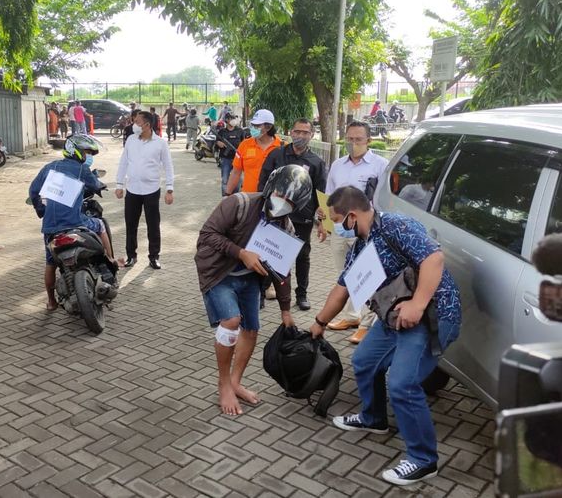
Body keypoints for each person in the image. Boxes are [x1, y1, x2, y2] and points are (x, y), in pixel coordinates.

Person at [310, 186, 461, 485]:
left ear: (352, 216)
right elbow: (342, 291)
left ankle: (423, 460)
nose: (334, 225)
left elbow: (434, 260)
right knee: (365, 361)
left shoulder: (396, 225)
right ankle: (373, 418)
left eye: (336, 219)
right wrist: (319, 323)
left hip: (431, 314)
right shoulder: (359, 247)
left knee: (403, 384)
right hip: (395, 317)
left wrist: (417, 304)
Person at [196, 165, 312, 415]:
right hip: (219, 273)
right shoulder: (239, 203)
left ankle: (236, 382)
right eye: (281, 196)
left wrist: (285, 310)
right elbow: (207, 234)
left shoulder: (286, 227)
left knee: (251, 329)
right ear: (271, 188)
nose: (283, 205)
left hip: (250, 280)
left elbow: (283, 269)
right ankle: (224, 384)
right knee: (231, 321)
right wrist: (241, 253)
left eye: (290, 204)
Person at [318, 120, 389, 343]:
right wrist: (323, 223)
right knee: (346, 277)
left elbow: (385, 199)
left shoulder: (380, 165)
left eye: (358, 139)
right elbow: (329, 198)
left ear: (369, 140)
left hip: (366, 232)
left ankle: (367, 324)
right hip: (340, 231)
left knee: (367, 276)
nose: (353, 143)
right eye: (349, 139)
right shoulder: (338, 165)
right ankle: (351, 316)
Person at [29, 135, 116, 311]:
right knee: (99, 224)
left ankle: (52, 302)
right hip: (75, 222)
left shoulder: (49, 167)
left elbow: (33, 190)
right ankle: (110, 260)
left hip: (51, 228)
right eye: (86, 152)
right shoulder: (81, 170)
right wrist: (98, 184)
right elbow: (94, 184)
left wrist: (41, 210)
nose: (87, 156)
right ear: (75, 151)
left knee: (50, 265)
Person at [258, 118, 326, 311]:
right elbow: (263, 182)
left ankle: (302, 294)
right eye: (297, 132)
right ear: (291, 132)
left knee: (302, 257)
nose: (300, 136)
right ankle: (260, 293)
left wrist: (322, 222)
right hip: (274, 215)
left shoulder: (316, 162)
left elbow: (321, 194)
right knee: (268, 254)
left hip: (302, 219)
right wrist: (262, 207)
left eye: (305, 133)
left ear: (312, 135)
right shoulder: (277, 155)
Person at [115, 111, 174, 270]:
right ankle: (131, 256)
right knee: (130, 225)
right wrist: (119, 185)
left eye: (137, 122)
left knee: (153, 225)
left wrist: (170, 189)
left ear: (147, 125)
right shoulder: (131, 140)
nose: (134, 124)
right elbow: (123, 163)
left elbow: (168, 166)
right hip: (132, 190)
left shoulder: (160, 143)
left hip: (151, 190)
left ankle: (154, 257)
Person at [226, 109, 281, 195]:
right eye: (253, 125)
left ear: (268, 127)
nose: (253, 128)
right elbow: (235, 172)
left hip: (272, 201)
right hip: (249, 200)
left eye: (257, 126)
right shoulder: (244, 145)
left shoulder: (282, 147)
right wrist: (227, 194)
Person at [215, 113, 244, 197]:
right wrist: (218, 143)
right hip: (225, 159)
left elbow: (244, 143)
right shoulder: (221, 131)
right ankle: (225, 197)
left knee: (237, 179)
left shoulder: (240, 131)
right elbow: (216, 142)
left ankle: (235, 197)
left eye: (234, 118)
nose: (234, 120)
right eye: (232, 118)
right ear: (227, 120)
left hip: (237, 159)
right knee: (225, 179)